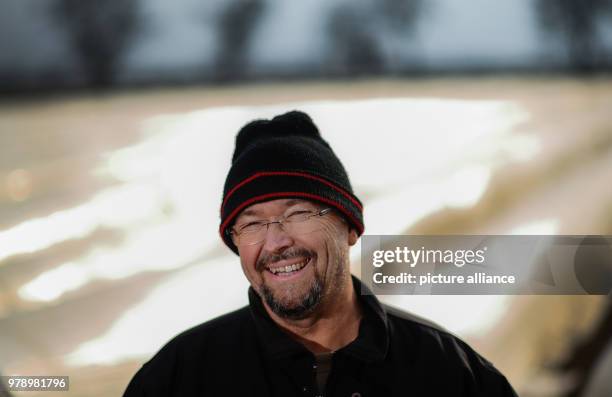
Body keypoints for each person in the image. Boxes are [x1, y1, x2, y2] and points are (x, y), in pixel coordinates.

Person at [123, 111, 518, 397]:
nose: (276, 242)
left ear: (349, 227)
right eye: (252, 223)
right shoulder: (180, 377)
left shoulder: (447, 372)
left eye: (297, 214)